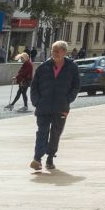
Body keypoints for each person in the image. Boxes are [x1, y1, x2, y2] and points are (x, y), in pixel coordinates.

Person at [29, 40, 80, 171]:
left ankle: (50, 157)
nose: (54, 53)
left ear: (64, 52)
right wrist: (36, 101)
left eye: (57, 51)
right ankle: (37, 159)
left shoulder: (72, 67)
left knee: (56, 133)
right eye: (53, 50)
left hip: (61, 107)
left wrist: (68, 100)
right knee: (42, 132)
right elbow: (34, 86)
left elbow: (76, 86)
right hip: (43, 107)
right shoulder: (43, 67)